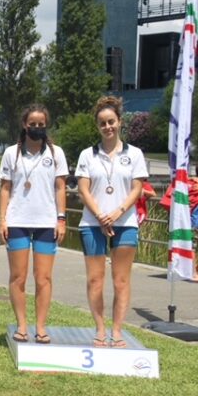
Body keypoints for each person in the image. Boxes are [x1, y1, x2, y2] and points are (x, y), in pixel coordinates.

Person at [75, 96, 148, 348]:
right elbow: (83, 189)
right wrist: (100, 215)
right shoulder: (87, 155)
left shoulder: (134, 154)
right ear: (97, 126)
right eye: (102, 123)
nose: (108, 127)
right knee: (95, 280)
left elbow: (137, 188)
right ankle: (100, 329)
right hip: (92, 223)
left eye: (111, 122)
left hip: (125, 222)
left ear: (119, 122)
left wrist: (117, 212)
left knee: (121, 280)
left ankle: (117, 331)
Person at [0, 104, 68, 344]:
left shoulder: (56, 153)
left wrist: (61, 219)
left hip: (46, 223)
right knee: (18, 277)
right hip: (17, 221)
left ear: (46, 125)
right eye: (32, 124)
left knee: (43, 278)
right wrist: (2, 220)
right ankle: (22, 325)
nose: (37, 128)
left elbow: (60, 188)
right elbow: (5, 188)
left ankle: (40, 327)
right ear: (24, 125)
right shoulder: (11, 153)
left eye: (41, 124)